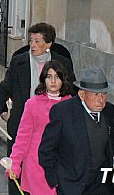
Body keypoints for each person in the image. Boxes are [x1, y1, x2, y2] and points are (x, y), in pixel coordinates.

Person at [0, 23, 75, 194]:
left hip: (53, 130)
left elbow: (71, 90)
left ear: (49, 44)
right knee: (15, 173)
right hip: (22, 124)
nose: (32, 45)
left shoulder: (62, 63)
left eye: (37, 41)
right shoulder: (19, 61)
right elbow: (4, 88)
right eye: (31, 40)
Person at [38, 68, 114, 195]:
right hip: (72, 186)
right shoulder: (63, 112)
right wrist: (56, 180)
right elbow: (46, 150)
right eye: (95, 94)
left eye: (104, 94)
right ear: (82, 95)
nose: (101, 100)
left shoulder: (108, 110)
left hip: (101, 185)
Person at [8, 61, 72, 195]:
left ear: (63, 79)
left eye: (57, 77)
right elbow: (22, 138)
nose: (53, 81)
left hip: (63, 165)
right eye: (49, 77)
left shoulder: (71, 104)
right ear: (44, 79)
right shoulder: (32, 104)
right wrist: (14, 163)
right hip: (36, 165)